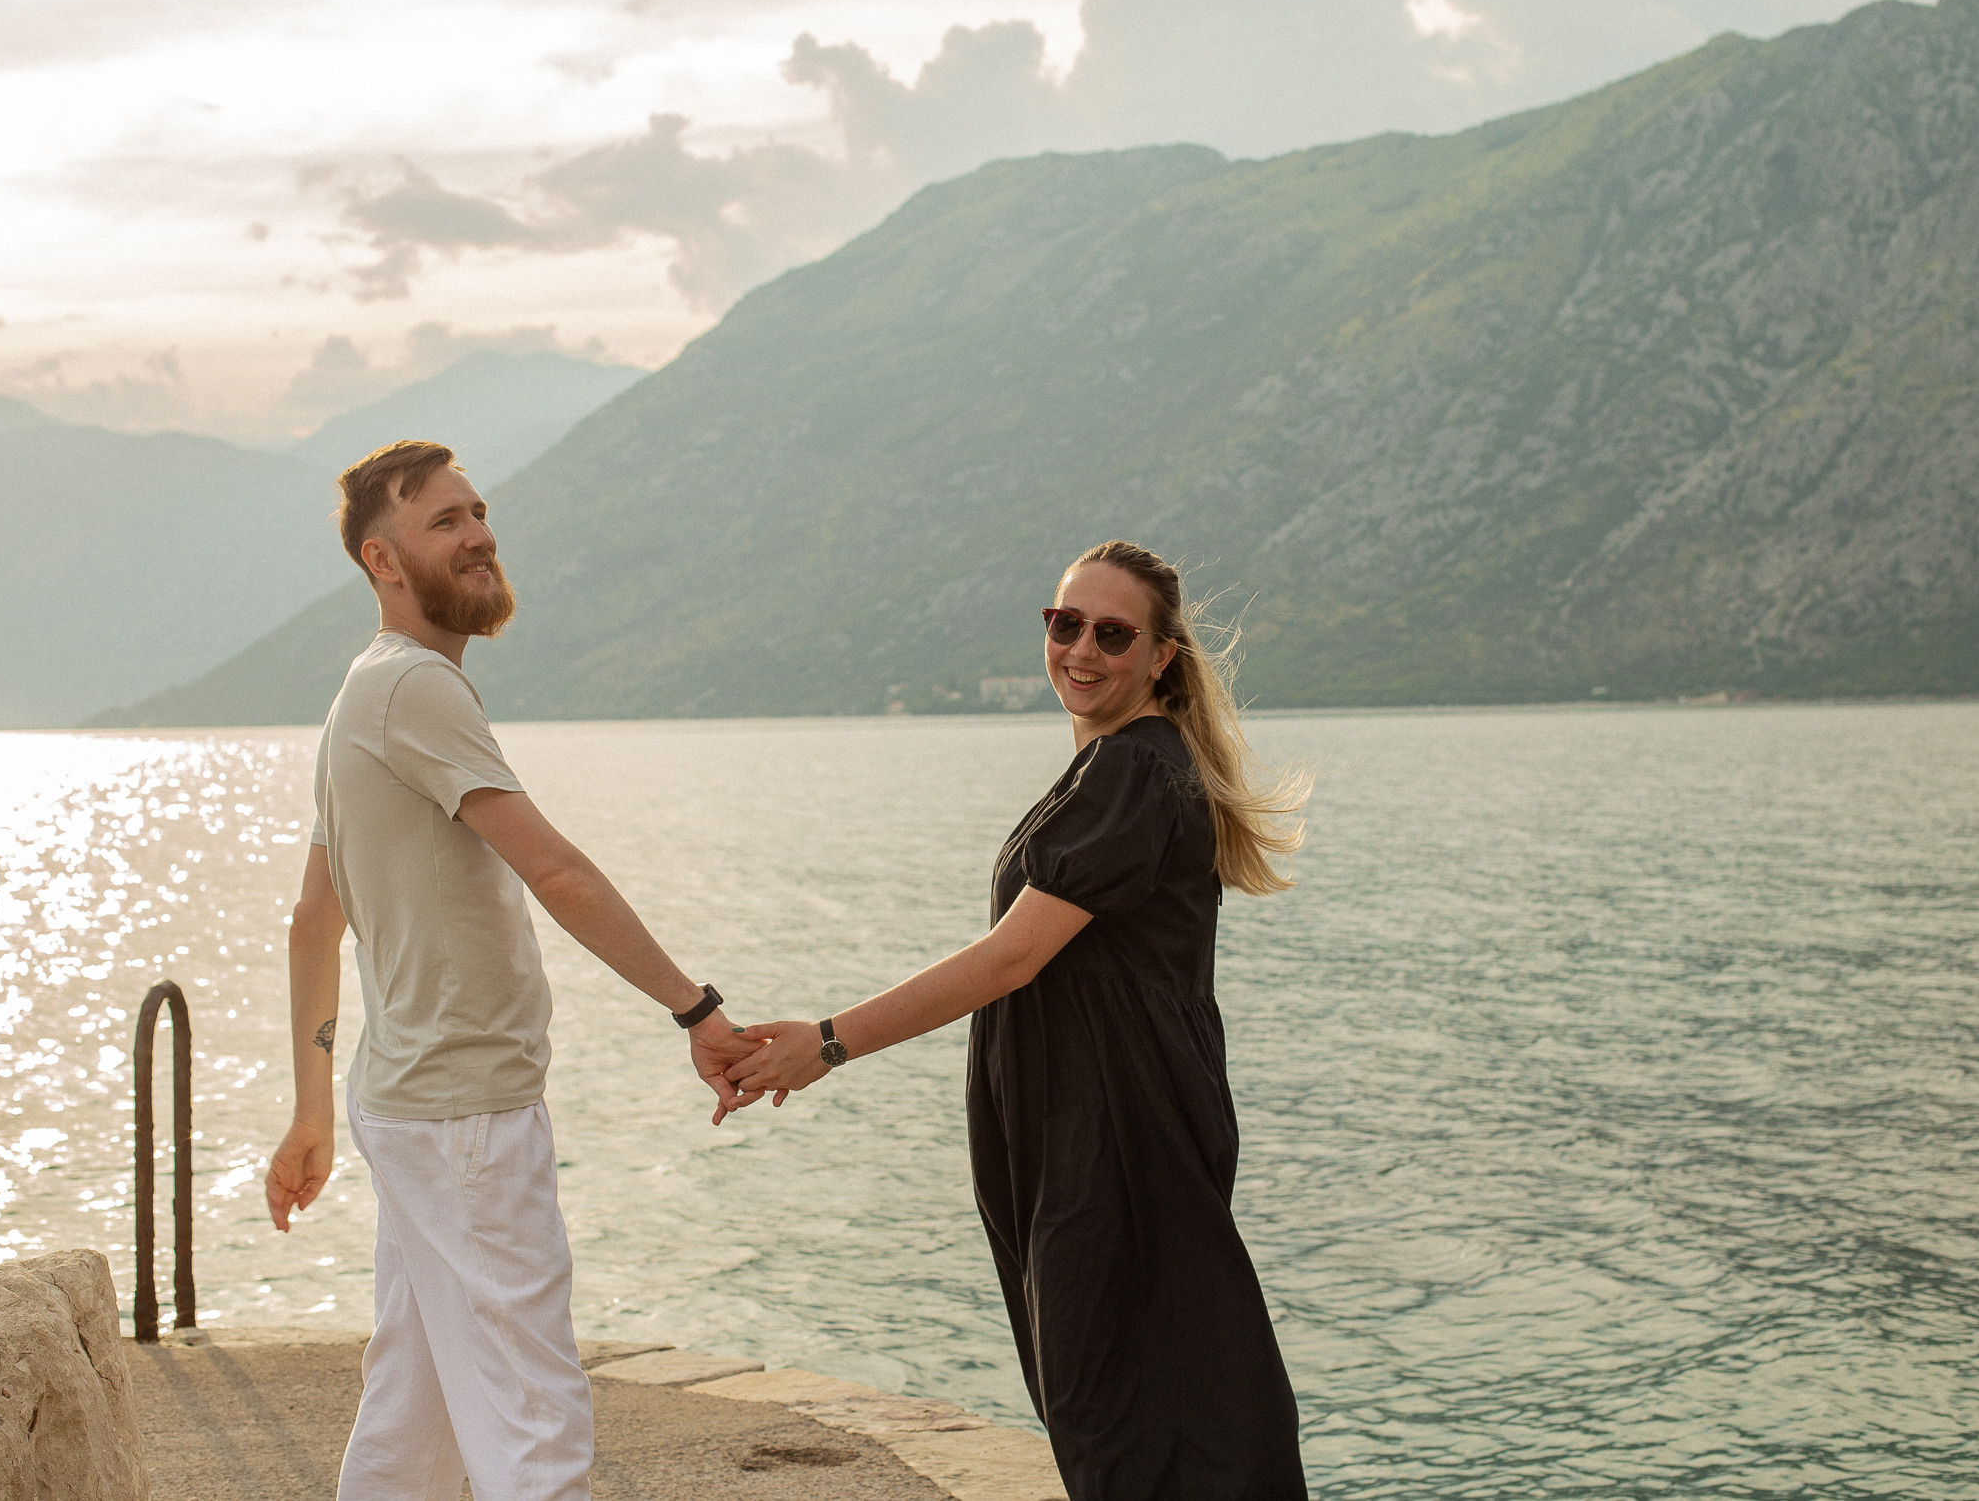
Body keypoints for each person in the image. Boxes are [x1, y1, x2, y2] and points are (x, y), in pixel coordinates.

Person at [728, 539, 1312, 1501]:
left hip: (1116, 1139)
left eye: (1112, 632)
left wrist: (827, 1043)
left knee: (1125, 1410)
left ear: (1161, 655)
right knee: (1139, 1397)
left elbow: (1012, 954)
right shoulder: (1121, 767)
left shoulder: (1133, 771)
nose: (1081, 648)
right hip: (1089, 1131)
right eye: (1063, 622)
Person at [262, 440, 758, 1501]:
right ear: (383, 561)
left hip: (411, 1107)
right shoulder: (413, 689)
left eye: (478, 510)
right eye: (444, 521)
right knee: (535, 1421)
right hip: (465, 1118)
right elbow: (556, 868)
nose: (478, 531)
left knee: (419, 1413)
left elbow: (314, 917)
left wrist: (311, 1112)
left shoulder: (365, 692)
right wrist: (695, 1008)